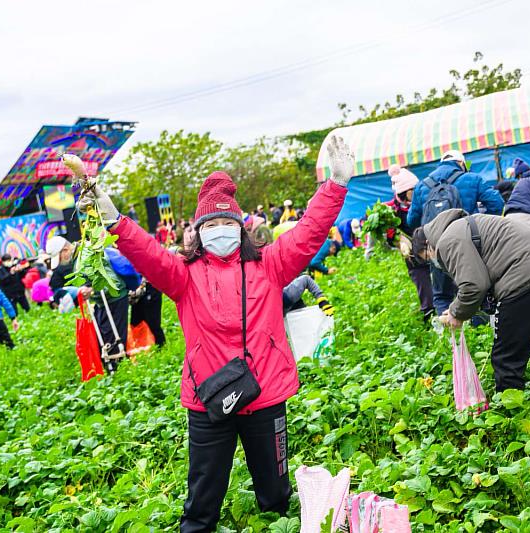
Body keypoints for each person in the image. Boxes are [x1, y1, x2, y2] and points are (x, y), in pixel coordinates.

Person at [66, 135, 354, 532]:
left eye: (227, 223)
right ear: (199, 233)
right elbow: (145, 251)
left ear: (241, 228)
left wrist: (335, 187)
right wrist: (113, 219)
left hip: (265, 393)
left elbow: (309, 231)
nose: (220, 230)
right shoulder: (183, 276)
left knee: (274, 496)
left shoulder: (270, 266)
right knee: (202, 501)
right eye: (212, 224)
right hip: (208, 399)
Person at [412, 211, 530, 392]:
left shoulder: (447, 240)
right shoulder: (466, 224)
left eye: (427, 257)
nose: (433, 262)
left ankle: (510, 410)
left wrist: (456, 313)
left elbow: (473, 285)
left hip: (523, 277)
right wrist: (456, 308)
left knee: (506, 358)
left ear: (428, 244)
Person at [406, 150, 504, 317]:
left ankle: (447, 331)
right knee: (475, 287)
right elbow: (497, 203)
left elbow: (412, 221)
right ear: (461, 164)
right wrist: (481, 227)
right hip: (470, 244)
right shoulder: (472, 179)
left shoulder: (422, 185)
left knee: (442, 295)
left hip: (435, 247)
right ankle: (477, 331)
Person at [366, 164, 433, 319]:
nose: (417, 193)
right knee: (422, 283)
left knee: (442, 280)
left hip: (431, 247)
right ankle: (429, 313)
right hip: (412, 254)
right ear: (406, 191)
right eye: (413, 191)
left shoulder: (423, 202)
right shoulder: (390, 210)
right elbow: (389, 235)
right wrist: (400, 241)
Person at [130, 280, 166, 347]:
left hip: (150, 285)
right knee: (135, 322)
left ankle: (161, 346)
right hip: (137, 286)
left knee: (153, 323)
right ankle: (139, 347)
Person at [46, 236, 78, 303]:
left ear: (65, 250)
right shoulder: (74, 260)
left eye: (60, 258)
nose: (60, 262)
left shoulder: (81, 256)